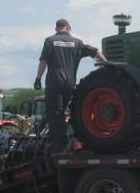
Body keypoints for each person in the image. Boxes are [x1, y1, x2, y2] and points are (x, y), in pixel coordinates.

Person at [35, 18, 106, 153]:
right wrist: (106, 63)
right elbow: (95, 51)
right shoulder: (77, 43)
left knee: (55, 114)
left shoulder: (50, 41)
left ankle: (59, 147)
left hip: (54, 81)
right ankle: (69, 140)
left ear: (56, 28)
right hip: (70, 82)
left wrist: (38, 78)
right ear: (68, 28)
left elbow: (43, 61)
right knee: (63, 113)